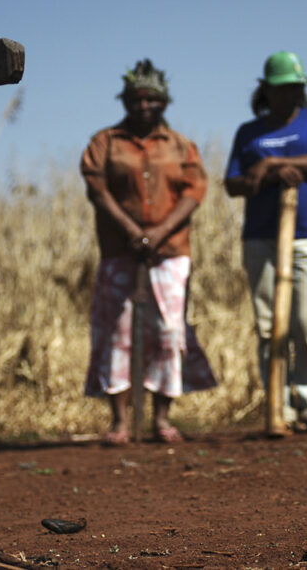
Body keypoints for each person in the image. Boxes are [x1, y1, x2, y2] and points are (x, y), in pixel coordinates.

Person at [80, 59, 216, 445]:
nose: (143, 108)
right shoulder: (105, 142)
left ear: (163, 103)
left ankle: (161, 418)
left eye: (150, 101)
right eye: (136, 100)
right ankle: (120, 422)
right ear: (125, 102)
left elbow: (193, 192)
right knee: (117, 332)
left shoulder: (180, 146)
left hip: (169, 252)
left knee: (169, 331)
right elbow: (98, 188)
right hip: (118, 251)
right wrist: (132, 230)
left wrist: (157, 232)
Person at [224, 51, 307, 433]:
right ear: (266, 91)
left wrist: (271, 166)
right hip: (261, 237)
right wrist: (259, 178)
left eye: (294, 88)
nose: (288, 95)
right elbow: (233, 183)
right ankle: (280, 406)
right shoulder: (248, 132)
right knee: (268, 325)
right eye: (280, 89)